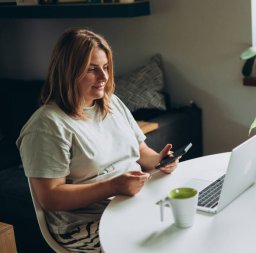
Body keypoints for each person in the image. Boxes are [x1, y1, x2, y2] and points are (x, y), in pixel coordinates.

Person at [16, 28, 179, 252]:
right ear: (68, 72)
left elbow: (142, 152)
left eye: (105, 68)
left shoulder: (112, 103)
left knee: (188, 226)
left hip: (131, 205)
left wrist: (160, 160)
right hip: (86, 225)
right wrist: (113, 186)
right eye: (92, 70)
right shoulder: (46, 126)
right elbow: (51, 197)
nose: (104, 77)